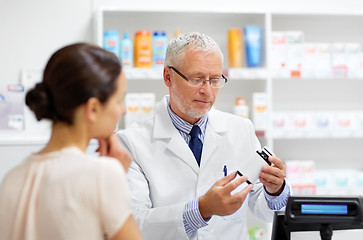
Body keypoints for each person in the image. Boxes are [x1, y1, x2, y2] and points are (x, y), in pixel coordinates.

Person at [117, 32, 291, 240]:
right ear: (168, 77)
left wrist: (275, 190)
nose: (207, 91)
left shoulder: (241, 129)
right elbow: (135, 225)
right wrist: (200, 210)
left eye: (215, 80)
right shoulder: (130, 142)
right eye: (197, 79)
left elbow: (262, 209)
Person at [0, 43, 143, 240]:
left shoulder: (11, 179)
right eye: (119, 100)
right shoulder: (103, 174)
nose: (123, 110)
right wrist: (117, 176)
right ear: (93, 108)